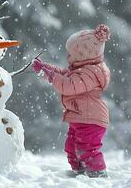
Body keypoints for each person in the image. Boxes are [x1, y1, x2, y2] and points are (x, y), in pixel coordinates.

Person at [32, 24, 111, 178]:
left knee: (86, 147)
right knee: (71, 147)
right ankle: (80, 170)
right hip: (80, 117)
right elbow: (64, 74)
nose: (68, 57)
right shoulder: (80, 69)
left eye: (71, 54)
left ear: (84, 55)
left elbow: (69, 86)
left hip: (90, 119)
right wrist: (45, 68)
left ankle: (97, 173)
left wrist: (51, 76)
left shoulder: (91, 73)